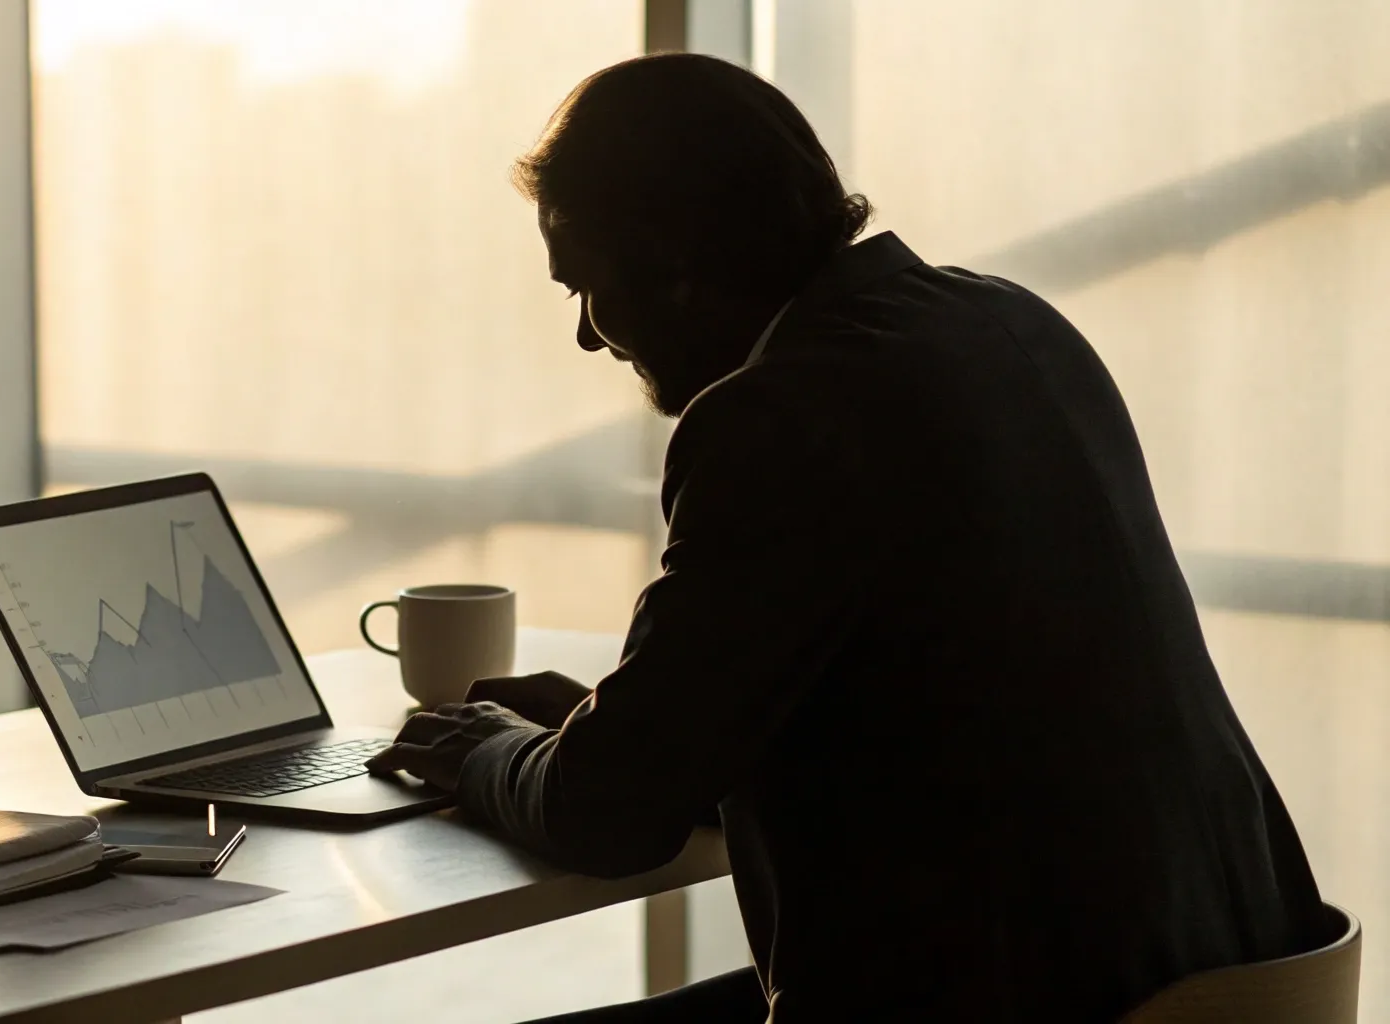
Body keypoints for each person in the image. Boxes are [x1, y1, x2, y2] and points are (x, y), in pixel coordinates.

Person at [364, 53, 1324, 1022]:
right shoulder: (1008, 325)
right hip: (1218, 967)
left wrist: (480, 750)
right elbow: (939, 709)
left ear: (676, 265)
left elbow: (604, 815)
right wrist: (613, 732)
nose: (585, 334)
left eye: (586, 286)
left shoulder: (779, 416)